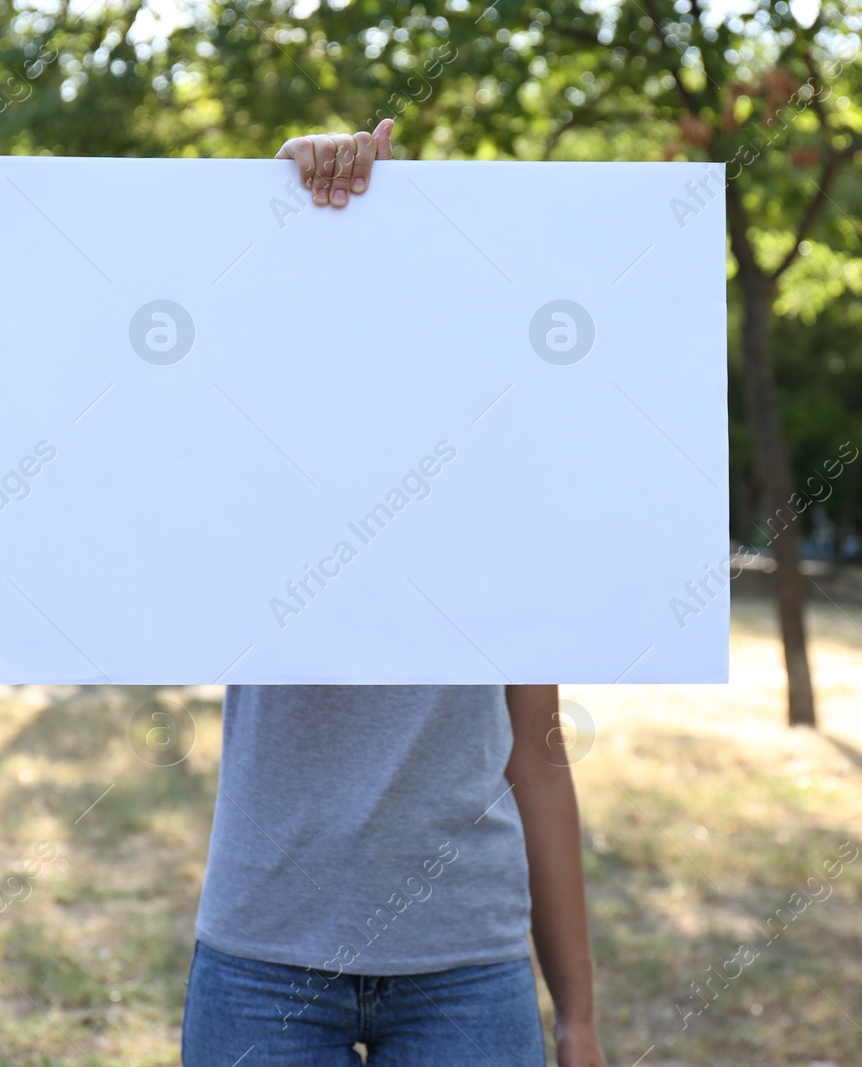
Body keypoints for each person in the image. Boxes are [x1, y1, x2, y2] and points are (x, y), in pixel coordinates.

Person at [178, 120, 610, 1067]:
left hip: (466, 963)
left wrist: (577, 1013)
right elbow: (222, 319)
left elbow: (537, 752)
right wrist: (291, 181)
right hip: (267, 949)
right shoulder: (257, 461)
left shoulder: (501, 504)